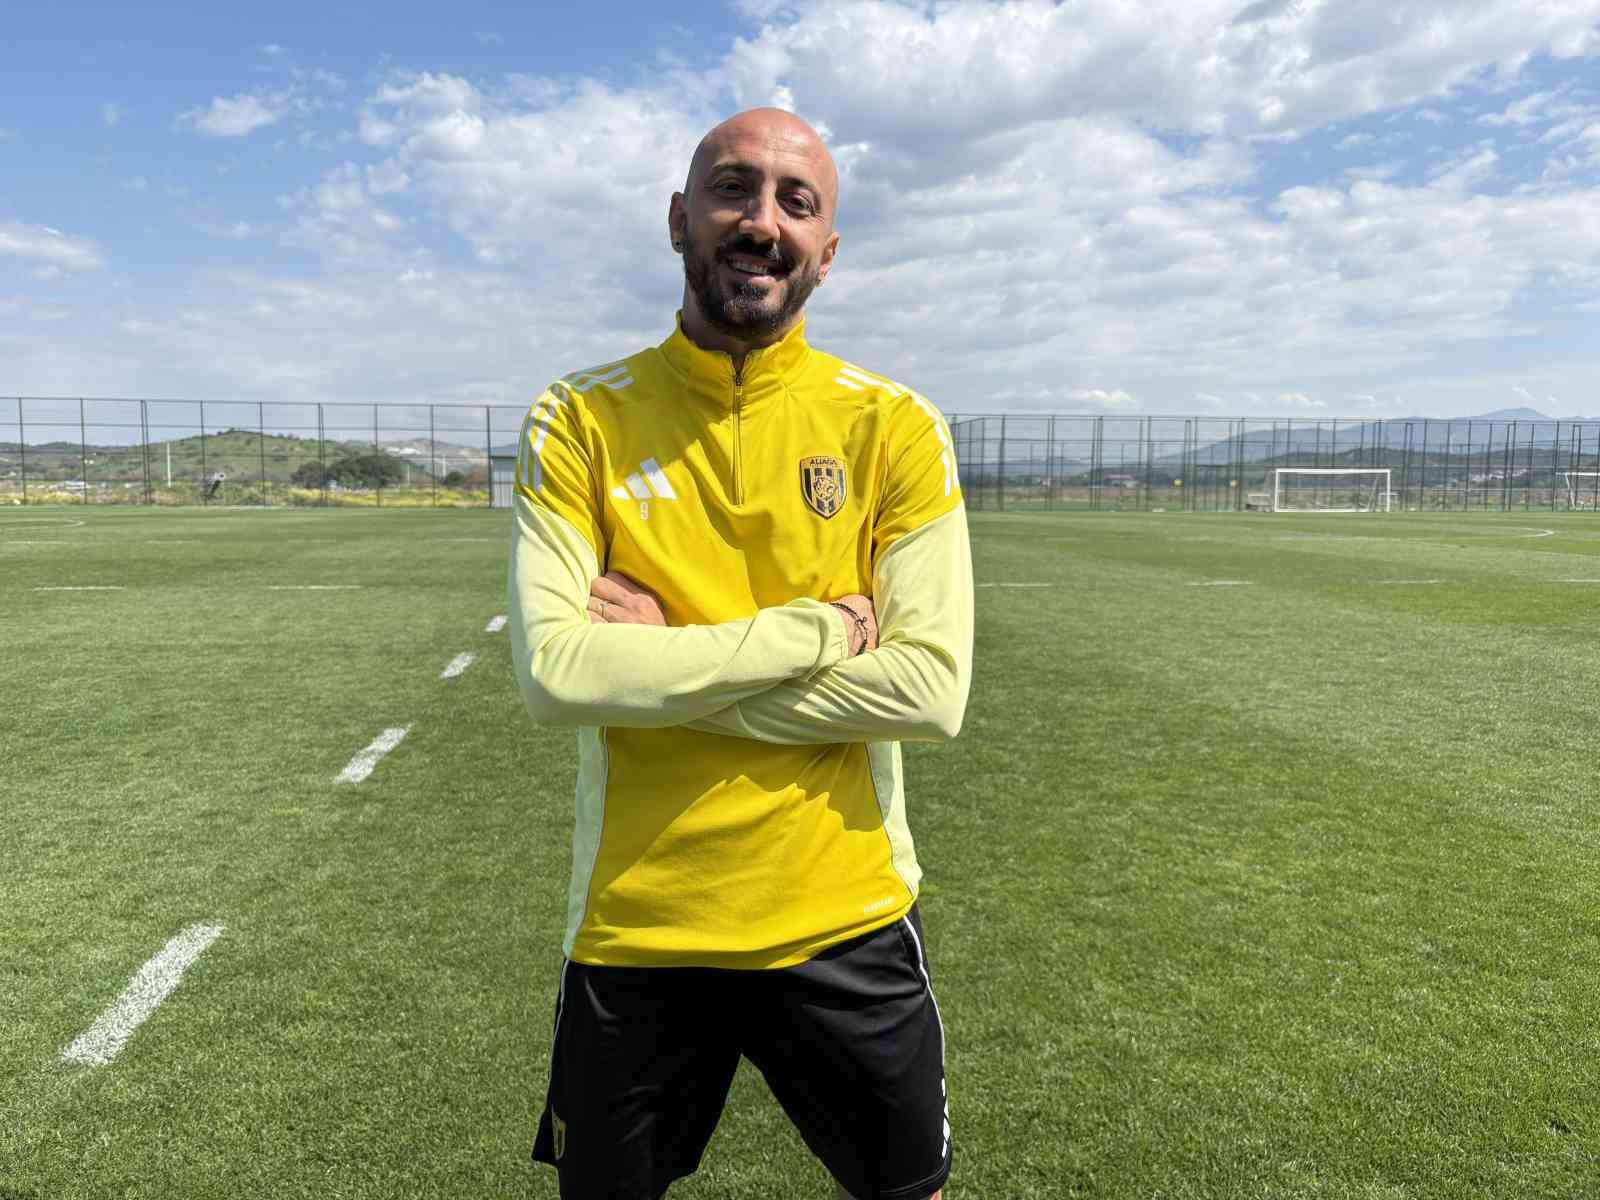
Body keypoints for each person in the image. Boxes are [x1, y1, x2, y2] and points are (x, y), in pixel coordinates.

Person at [507, 107, 974, 1200]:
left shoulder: (895, 426)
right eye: (733, 189)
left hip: (846, 913)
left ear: (827, 250)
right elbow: (557, 674)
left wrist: (663, 664)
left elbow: (928, 690)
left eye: (795, 202)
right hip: (640, 924)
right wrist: (819, 633)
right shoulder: (578, 419)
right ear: (679, 219)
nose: (762, 221)